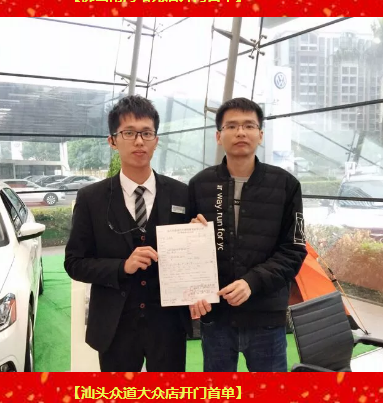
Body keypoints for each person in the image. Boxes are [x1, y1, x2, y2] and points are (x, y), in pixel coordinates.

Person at [64, 95, 191, 372]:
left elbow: (194, 256)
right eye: (129, 133)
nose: (139, 141)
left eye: (147, 133)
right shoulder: (91, 199)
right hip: (115, 325)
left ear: (156, 140)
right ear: (112, 141)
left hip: (168, 325)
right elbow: (74, 263)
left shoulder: (182, 194)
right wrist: (122, 267)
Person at [188, 97, 307, 372]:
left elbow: (294, 249)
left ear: (260, 135)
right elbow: (185, 250)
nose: (240, 132)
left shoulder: (286, 185)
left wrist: (252, 282)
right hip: (216, 317)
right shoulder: (200, 185)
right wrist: (190, 238)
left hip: (266, 317)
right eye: (231, 126)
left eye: (249, 126)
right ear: (219, 136)